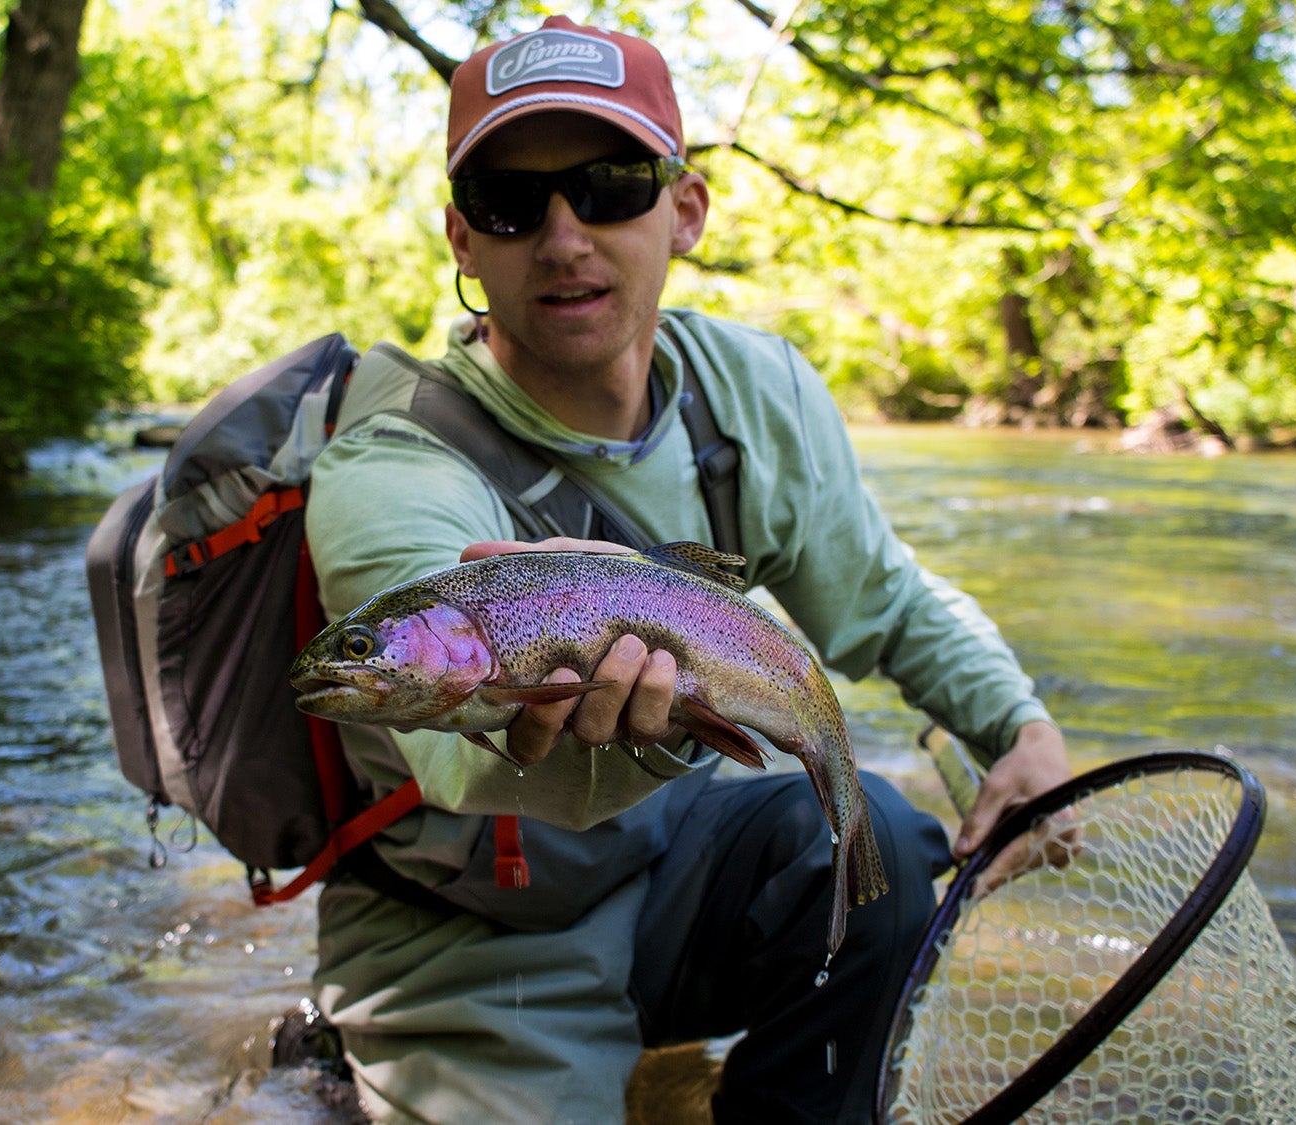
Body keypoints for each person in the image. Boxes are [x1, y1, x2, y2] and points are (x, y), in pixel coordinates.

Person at [300, 16, 1070, 1123]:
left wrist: (1017, 727)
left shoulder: (754, 391)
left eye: (610, 185)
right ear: (463, 241)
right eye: (512, 204)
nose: (563, 236)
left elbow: (884, 601)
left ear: (686, 211)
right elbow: (455, 756)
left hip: (671, 863)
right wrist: (552, 643)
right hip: (466, 927)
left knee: (883, 849)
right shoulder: (389, 464)